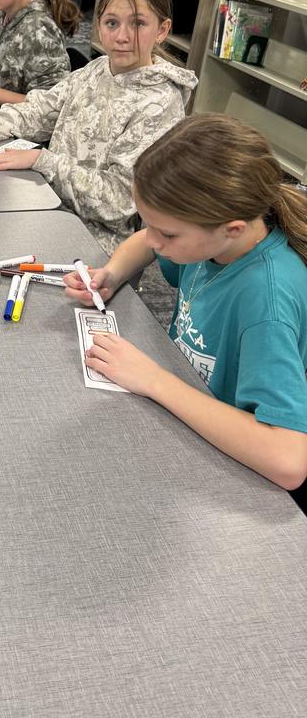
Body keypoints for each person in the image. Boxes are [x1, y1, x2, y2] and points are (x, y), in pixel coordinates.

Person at [65, 114, 307, 507]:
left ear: (231, 228)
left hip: (230, 465)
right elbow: (146, 240)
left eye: (168, 234)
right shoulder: (213, 241)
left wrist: (154, 380)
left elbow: (288, 460)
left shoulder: (267, 303)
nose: (154, 240)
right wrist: (112, 273)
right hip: (188, 410)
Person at [0, 0, 197, 252]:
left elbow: (118, 203)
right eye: (111, 23)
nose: (122, 37)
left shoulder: (160, 103)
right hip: (47, 205)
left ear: (162, 30)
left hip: (96, 241)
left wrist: (44, 162)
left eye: (138, 24)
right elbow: (40, 110)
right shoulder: (96, 69)